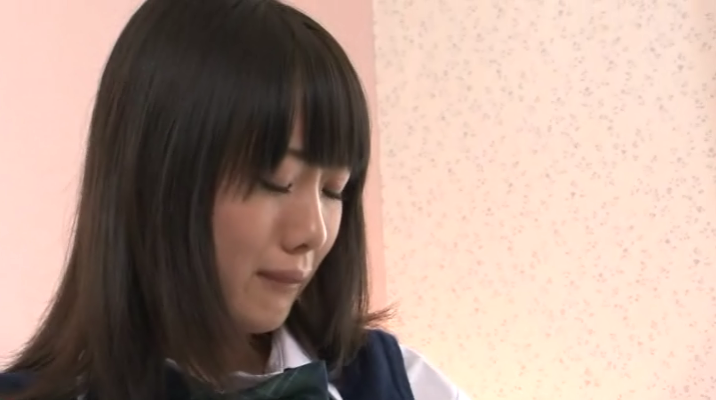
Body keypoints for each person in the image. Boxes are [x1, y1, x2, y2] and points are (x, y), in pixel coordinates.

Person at [0, 0, 470, 399]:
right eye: (275, 181)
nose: (313, 231)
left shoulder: (400, 382)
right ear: (158, 179)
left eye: (334, 190)